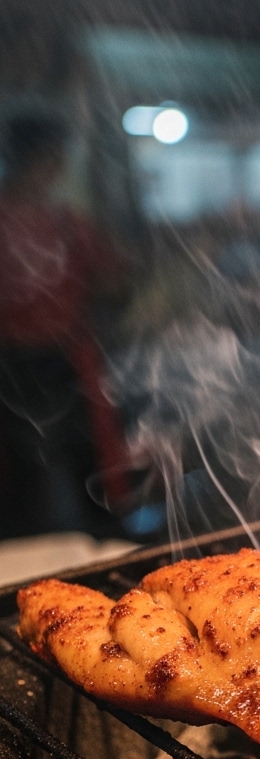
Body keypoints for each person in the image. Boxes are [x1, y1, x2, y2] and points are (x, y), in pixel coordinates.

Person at [0, 112, 128, 538]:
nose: (58, 168)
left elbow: (109, 274)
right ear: (39, 159)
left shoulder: (66, 221)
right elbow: (111, 277)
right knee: (25, 473)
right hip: (14, 367)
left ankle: (99, 539)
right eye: (55, 158)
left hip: (64, 360)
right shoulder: (58, 220)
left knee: (84, 461)